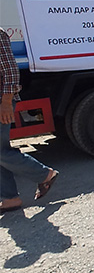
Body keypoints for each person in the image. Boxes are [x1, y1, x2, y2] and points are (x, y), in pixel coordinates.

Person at [0, 27, 58, 213]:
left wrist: (6, 102)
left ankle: (45, 175)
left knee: (0, 151)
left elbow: (10, 71)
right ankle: (10, 198)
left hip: (1, 101)